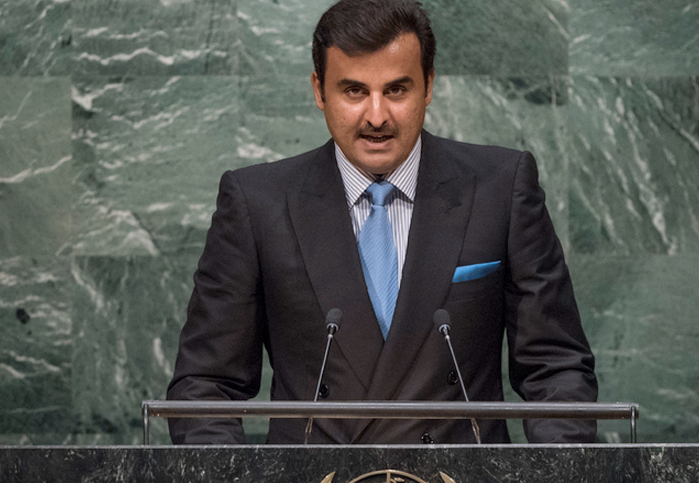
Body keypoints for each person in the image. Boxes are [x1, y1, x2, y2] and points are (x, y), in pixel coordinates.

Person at [166, 0, 598, 444]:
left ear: (428, 86)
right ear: (319, 91)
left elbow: (556, 367)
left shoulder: (500, 188)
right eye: (354, 91)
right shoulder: (258, 203)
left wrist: (555, 480)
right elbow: (205, 387)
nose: (376, 116)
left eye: (396, 90)